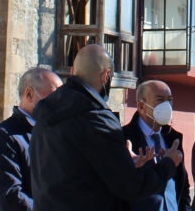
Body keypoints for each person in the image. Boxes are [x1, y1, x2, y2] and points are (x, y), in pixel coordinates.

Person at [30, 44, 183, 210]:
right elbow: (130, 187)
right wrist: (168, 163)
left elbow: (77, 171)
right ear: (106, 76)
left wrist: (124, 163)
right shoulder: (96, 118)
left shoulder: (45, 115)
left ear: (73, 71)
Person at [0, 67, 63, 211]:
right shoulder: (3, 138)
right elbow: (9, 198)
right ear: (29, 94)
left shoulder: (56, 133)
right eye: (53, 96)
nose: (59, 103)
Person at [122, 80, 191, 211]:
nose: (166, 105)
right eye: (160, 100)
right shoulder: (123, 138)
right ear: (141, 106)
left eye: (169, 100)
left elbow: (182, 185)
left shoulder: (174, 138)